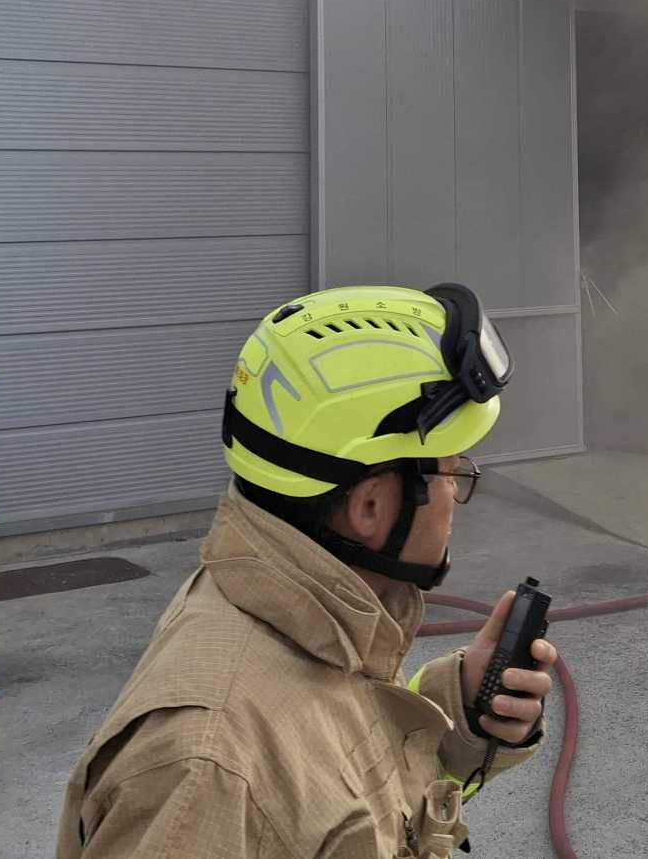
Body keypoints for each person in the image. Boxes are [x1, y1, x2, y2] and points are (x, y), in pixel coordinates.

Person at [58, 284, 558, 859]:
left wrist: (462, 709)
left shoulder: (313, 611)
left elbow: (331, 783)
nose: (457, 494)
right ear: (370, 506)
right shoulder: (202, 777)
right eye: (453, 471)